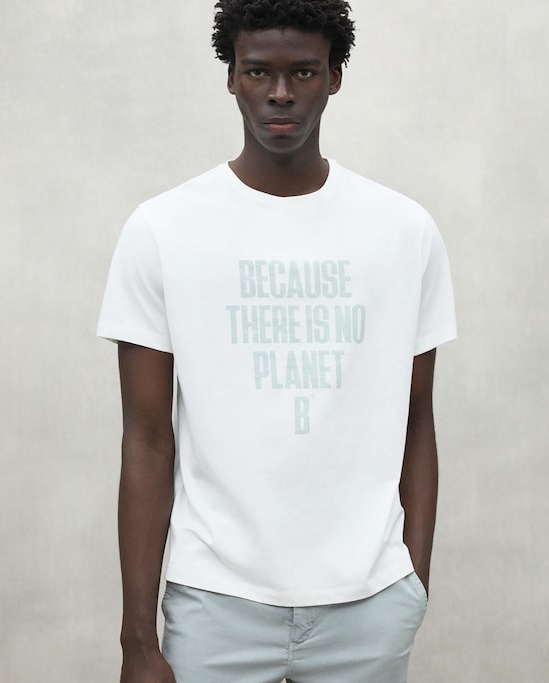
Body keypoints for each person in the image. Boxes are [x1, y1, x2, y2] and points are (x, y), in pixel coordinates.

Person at [97, 1, 457, 681]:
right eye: (259, 71)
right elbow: (145, 439)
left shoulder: (404, 232)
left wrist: (412, 584)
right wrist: (137, 638)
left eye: (305, 71)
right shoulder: (163, 230)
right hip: (215, 601)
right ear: (231, 76)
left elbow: (417, 421)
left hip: (370, 604)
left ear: (336, 76)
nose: (281, 93)